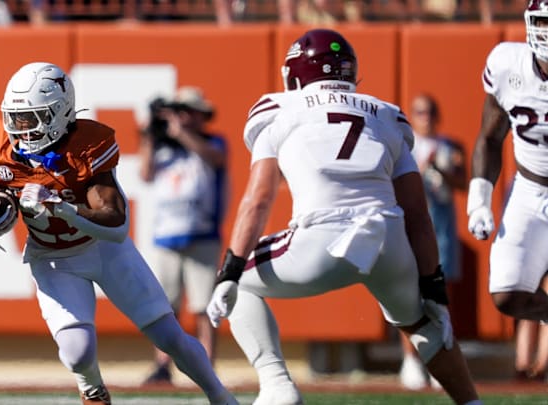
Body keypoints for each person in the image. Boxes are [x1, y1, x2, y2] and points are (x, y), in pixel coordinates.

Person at [206, 29, 482, 405]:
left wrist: (230, 268)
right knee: (424, 323)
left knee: (239, 283)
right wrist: (433, 284)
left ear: (296, 74)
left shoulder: (278, 109)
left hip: (320, 240)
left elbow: (259, 199)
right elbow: (417, 214)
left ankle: (276, 385)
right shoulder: (386, 114)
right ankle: (472, 402)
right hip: (389, 239)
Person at [0, 62, 238, 405]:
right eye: (16, 118)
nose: (21, 129)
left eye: (32, 118)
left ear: (60, 113)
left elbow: (116, 224)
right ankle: (93, 390)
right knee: (77, 351)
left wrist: (63, 208)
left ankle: (221, 396)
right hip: (51, 257)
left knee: (169, 336)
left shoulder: (87, 145)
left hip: (104, 250)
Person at [138, 87, 227, 385]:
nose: (184, 118)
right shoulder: (166, 147)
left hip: (202, 234)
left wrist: (181, 134)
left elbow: (214, 158)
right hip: (167, 235)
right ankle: (162, 364)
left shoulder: (213, 142)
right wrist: (151, 134)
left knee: (204, 307)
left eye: (189, 112)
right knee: (166, 307)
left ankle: (208, 365)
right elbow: (146, 173)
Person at [467, 0, 548, 326]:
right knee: (507, 293)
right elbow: (490, 136)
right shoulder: (507, 64)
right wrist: (479, 201)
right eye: (544, 22)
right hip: (529, 191)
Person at [400, 93, 468, 390]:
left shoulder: (449, 147)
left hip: (440, 226)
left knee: (441, 295)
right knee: (407, 295)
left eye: (429, 112)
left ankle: (442, 360)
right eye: (419, 112)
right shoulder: (403, 147)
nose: (424, 117)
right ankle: (411, 361)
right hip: (411, 226)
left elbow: (463, 183)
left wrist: (440, 168)